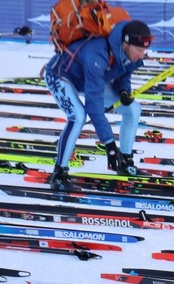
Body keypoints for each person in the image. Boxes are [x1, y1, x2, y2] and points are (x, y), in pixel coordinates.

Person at [43, 20, 152, 192]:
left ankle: (125, 162)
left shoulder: (129, 54)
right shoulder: (98, 54)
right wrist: (109, 144)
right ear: (125, 43)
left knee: (133, 109)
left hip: (90, 80)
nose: (141, 55)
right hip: (60, 76)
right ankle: (59, 175)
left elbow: (124, 75)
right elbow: (93, 105)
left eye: (143, 51)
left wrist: (123, 91)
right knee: (78, 116)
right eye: (139, 50)